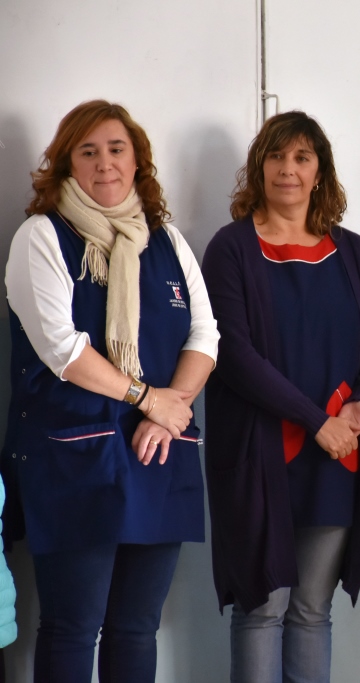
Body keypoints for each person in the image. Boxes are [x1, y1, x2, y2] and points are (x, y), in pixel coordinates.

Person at [0, 100, 219, 681]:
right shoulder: (39, 237)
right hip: (75, 458)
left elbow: (206, 334)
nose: (104, 163)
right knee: (74, 625)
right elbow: (61, 348)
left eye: (116, 149)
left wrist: (169, 411)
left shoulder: (168, 241)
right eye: (88, 151)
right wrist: (150, 399)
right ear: (67, 164)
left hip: (158, 451)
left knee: (136, 627)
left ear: (138, 159)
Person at [202, 111, 360, 683]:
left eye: (302, 158)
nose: (288, 169)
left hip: (336, 454)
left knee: (312, 610)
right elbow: (234, 356)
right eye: (276, 157)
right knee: (262, 607)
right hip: (261, 456)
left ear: (320, 173)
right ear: (258, 167)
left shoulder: (354, 253)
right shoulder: (231, 249)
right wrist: (316, 420)